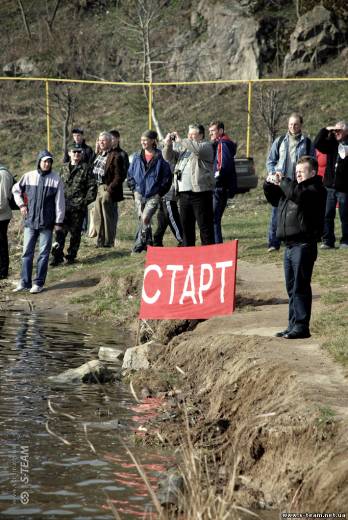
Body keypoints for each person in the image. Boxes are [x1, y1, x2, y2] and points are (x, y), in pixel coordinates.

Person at [263, 156, 327, 339]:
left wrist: (283, 181)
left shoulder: (315, 189)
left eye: (302, 171)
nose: (298, 173)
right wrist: (269, 183)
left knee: (300, 286)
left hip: (304, 245)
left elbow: (297, 194)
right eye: (296, 171)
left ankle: (301, 326)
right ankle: (292, 325)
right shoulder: (294, 188)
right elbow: (275, 199)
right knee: (291, 288)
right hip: (289, 247)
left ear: (313, 172)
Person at [12, 150, 65, 294]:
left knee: (43, 254)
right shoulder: (28, 176)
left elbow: (60, 202)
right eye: (44, 161)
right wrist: (22, 205)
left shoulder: (56, 179)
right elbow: (15, 189)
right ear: (39, 162)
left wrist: (58, 222)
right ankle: (24, 282)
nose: (47, 164)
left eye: (49, 161)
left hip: (47, 224)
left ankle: (38, 283)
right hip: (30, 222)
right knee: (26, 253)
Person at [266, 112, 314, 252]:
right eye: (290, 124)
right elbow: (270, 161)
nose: (293, 127)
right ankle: (273, 243)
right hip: (281, 184)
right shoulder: (280, 140)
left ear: (301, 125)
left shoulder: (307, 142)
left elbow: (312, 162)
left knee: (298, 213)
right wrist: (274, 173)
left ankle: (296, 239)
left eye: (296, 124)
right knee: (277, 213)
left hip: (299, 184)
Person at [163, 124, 215, 247]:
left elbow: (196, 149)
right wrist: (168, 144)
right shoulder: (184, 151)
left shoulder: (205, 146)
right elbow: (167, 157)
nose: (190, 137)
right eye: (189, 134)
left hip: (200, 193)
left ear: (201, 135)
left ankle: (208, 255)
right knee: (186, 227)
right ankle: (189, 254)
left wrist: (181, 140)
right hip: (184, 195)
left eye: (193, 134)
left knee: (205, 226)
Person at [50, 142, 97, 266]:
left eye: (79, 152)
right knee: (60, 233)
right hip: (62, 207)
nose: (76, 154)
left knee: (75, 234)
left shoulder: (86, 168)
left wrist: (83, 202)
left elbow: (92, 188)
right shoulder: (63, 168)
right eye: (74, 152)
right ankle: (57, 256)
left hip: (77, 208)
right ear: (70, 153)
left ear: (81, 154)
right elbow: (56, 185)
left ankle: (71, 256)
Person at [127, 130, 172, 253]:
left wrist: (159, 192)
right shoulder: (136, 156)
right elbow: (130, 174)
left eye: (145, 140)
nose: (143, 142)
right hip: (139, 193)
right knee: (142, 219)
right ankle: (148, 244)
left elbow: (167, 177)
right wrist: (134, 189)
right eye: (142, 140)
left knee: (146, 218)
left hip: (154, 194)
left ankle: (138, 245)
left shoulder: (160, 157)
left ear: (153, 141)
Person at [314, 121, 348, 249]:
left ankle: (346, 241)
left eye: (340, 130)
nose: (337, 132)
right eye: (336, 130)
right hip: (329, 187)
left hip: (344, 188)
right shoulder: (331, 144)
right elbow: (317, 143)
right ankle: (328, 240)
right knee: (327, 214)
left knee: (345, 215)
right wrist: (326, 129)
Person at [92, 132, 125, 248]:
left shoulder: (115, 155)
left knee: (107, 216)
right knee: (98, 216)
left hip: (108, 188)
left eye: (104, 140)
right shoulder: (99, 154)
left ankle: (109, 242)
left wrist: (109, 189)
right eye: (100, 140)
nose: (101, 142)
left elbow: (119, 176)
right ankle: (99, 241)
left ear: (110, 142)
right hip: (98, 187)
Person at [208, 120, 237, 243]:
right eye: (210, 132)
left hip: (219, 187)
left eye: (213, 131)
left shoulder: (222, 144)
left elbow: (222, 166)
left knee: (213, 219)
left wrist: (215, 180)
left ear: (220, 131)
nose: (211, 134)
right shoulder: (224, 143)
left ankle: (217, 247)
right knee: (215, 219)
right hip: (223, 187)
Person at [0, 163, 13, 279]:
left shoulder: (3, 173)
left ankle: (3, 271)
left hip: (2, 216)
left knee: (1, 243)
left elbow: (2, 201)